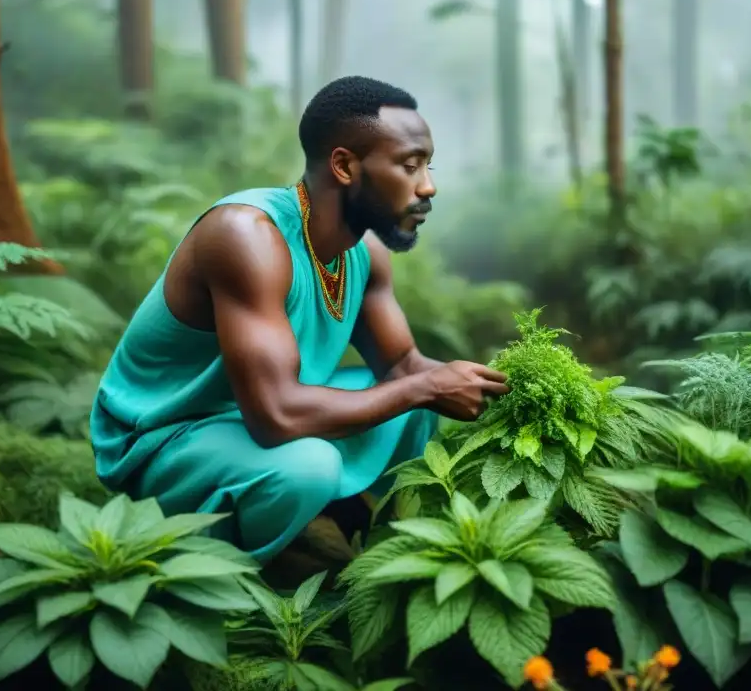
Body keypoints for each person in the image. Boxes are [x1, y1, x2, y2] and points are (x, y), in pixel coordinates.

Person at [89, 75, 510, 563]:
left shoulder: (365, 252)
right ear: (344, 166)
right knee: (310, 466)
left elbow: (402, 367)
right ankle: (220, 579)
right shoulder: (246, 236)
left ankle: (390, 555)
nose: (428, 186)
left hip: (263, 415)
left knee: (420, 405)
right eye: (409, 165)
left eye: (428, 166)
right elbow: (277, 417)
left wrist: (508, 391)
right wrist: (429, 387)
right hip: (167, 438)